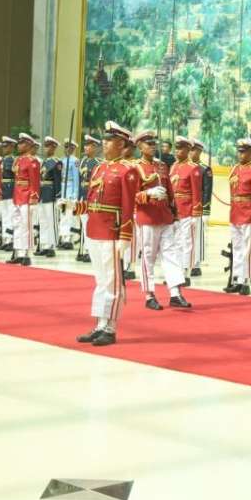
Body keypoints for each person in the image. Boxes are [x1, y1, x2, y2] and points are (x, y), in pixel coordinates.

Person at [76, 121, 140, 346]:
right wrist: (75, 208)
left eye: (110, 140)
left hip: (112, 231)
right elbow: (92, 201)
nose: (105, 143)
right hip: (95, 228)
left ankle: (110, 328)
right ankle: (100, 324)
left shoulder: (128, 170)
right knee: (101, 280)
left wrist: (125, 236)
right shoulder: (99, 168)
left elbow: (128, 206)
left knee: (113, 282)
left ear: (121, 144)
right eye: (104, 139)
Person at [131, 131, 175, 307]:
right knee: (148, 256)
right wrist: (148, 193)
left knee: (171, 254)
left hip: (164, 216)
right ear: (140, 146)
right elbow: (131, 195)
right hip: (147, 216)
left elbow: (170, 190)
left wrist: (174, 212)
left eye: (153, 143)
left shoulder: (162, 166)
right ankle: (149, 295)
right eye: (148, 144)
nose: (152, 146)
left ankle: (175, 292)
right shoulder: (135, 168)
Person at [225, 137, 251, 295]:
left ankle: (246, 280)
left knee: (248, 249)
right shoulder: (235, 169)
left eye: (245, 152)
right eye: (240, 152)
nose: (241, 155)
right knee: (237, 248)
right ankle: (237, 279)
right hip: (235, 212)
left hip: (248, 213)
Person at [166, 137, 201, 308]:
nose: (177, 151)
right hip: (175, 210)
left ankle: (186, 271)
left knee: (187, 242)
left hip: (187, 209)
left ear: (187, 150)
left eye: (180, 149)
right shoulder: (173, 166)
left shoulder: (193, 168)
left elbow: (196, 192)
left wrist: (196, 213)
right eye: (176, 148)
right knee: (175, 244)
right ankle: (177, 273)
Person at [10, 134, 41, 264]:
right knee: (17, 224)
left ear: (28, 145)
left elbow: (35, 181)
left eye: (22, 143)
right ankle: (19, 252)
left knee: (26, 225)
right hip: (18, 195)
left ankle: (27, 254)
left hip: (27, 195)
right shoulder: (18, 160)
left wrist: (34, 195)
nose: (19, 145)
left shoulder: (32, 161)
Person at [38, 137, 63, 257]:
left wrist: (58, 196)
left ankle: (52, 246)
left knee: (51, 220)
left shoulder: (57, 162)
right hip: (43, 193)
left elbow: (58, 181)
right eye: (45, 146)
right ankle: (44, 245)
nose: (46, 148)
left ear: (54, 148)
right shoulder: (44, 161)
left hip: (51, 193)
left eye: (48, 146)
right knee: (43, 221)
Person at [193, 138, 212, 276]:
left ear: (199, 151)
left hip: (199, 209)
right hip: (185, 208)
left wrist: (205, 210)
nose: (190, 152)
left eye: (193, 150)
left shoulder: (204, 169)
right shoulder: (181, 167)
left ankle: (196, 264)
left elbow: (207, 190)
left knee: (198, 237)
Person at [59, 139, 81, 246]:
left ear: (73, 149)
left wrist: (74, 194)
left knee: (69, 215)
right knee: (63, 215)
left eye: (69, 147)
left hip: (70, 188)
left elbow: (76, 178)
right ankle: (63, 237)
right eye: (65, 147)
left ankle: (69, 239)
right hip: (63, 188)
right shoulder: (62, 160)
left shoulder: (75, 161)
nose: (66, 149)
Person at [0, 135, 18, 242]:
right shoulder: (2, 159)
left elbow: (16, 176)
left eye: (6, 146)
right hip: (3, 189)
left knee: (11, 215)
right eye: (3, 146)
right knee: (4, 215)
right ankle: (5, 239)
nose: (4, 148)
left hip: (10, 189)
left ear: (11, 147)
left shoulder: (13, 160)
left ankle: (10, 239)